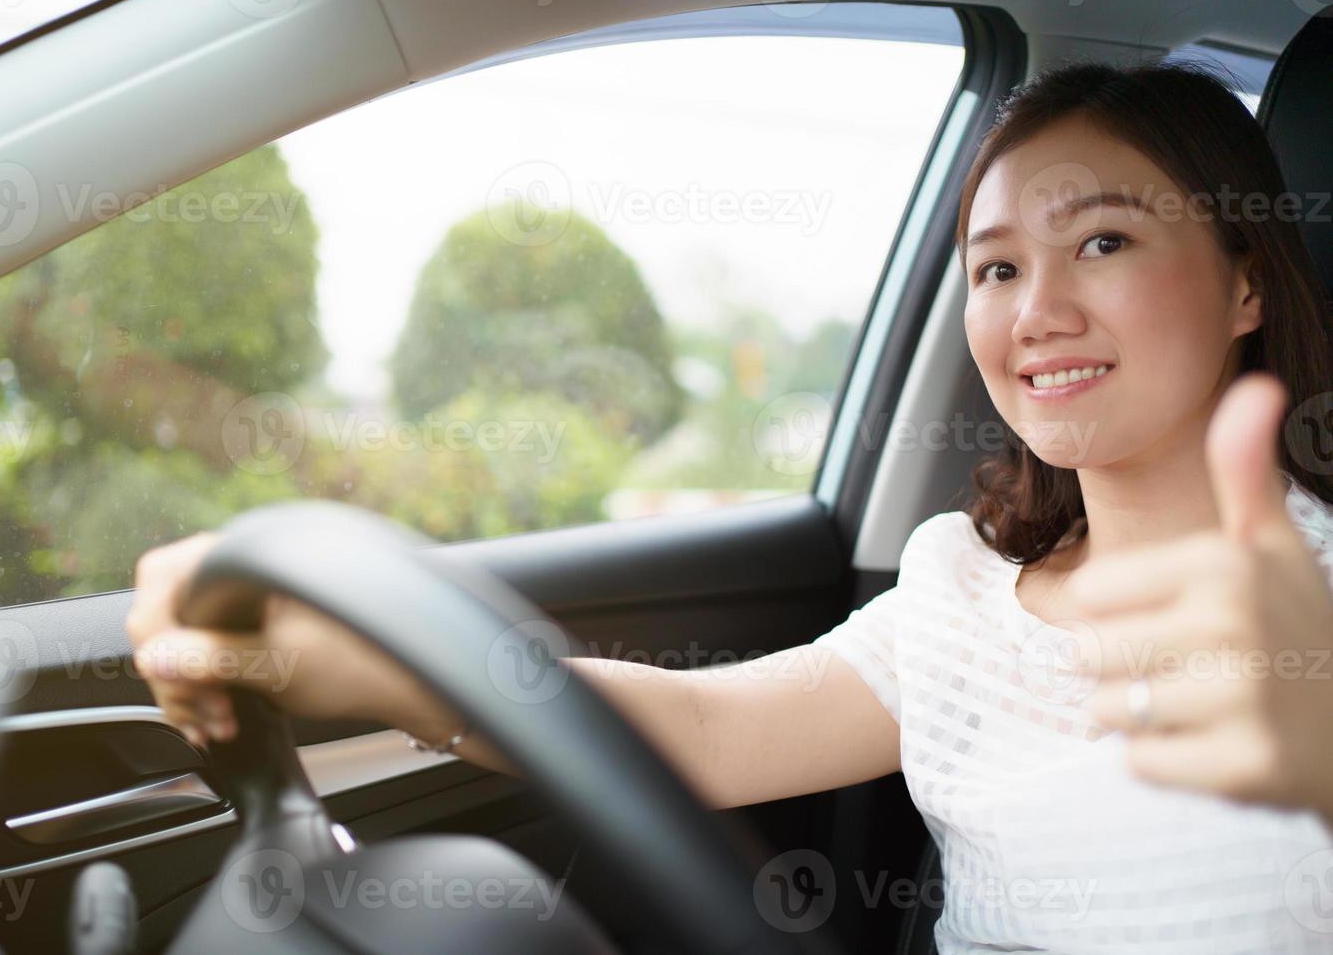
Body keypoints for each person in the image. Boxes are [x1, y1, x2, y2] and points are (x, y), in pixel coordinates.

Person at [127, 61, 1333, 950]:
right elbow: (700, 729)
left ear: (1242, 281)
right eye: (998, 266)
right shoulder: (959, 592)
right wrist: (370, 668)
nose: (1037, 312)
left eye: (1105, 242)